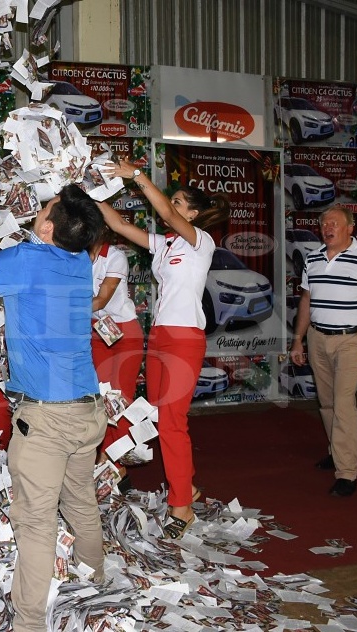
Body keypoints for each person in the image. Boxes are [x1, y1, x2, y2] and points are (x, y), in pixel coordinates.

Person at [0, 184, 107, 632]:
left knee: (35, 521)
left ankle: (29, 623)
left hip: (47, 419)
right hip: (88, 411)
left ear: (47, 227)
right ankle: (97, 587)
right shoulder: (77, 263)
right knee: (81, 502)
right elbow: (4, 262)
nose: (38, 210)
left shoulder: (28, 261)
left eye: (44, 209)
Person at [98, 160, 229, 539]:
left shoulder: (201, 241)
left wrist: (136, 176)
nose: (171, 208)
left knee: (172, 421)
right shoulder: (167, 243)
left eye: (178, 203)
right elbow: (120, 226)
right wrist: (91, 193)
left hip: (185, 338)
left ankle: (182, 506)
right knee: (157, 413)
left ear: (193, 213)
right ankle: (187, 487)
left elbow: (167, 214)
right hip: (159, 336)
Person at [288, 205, 357, 497]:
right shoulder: (313, 259)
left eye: (334, 223)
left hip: (351, 339)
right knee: (327, 400)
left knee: (343, 403)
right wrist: (298, 339)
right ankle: (336, 450)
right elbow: (307, 300)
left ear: (350, 228)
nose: (327, 228)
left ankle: (347, 473)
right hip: (318, 338)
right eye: (324, 224)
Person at [90, 230, 144, 483]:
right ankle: (102, 457)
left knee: (120, 399)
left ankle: (117, 462)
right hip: (97, 332)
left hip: (124, 333)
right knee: (100, 398)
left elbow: (101, 300)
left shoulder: (115, 256)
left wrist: (60, 305)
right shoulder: (74, 255)